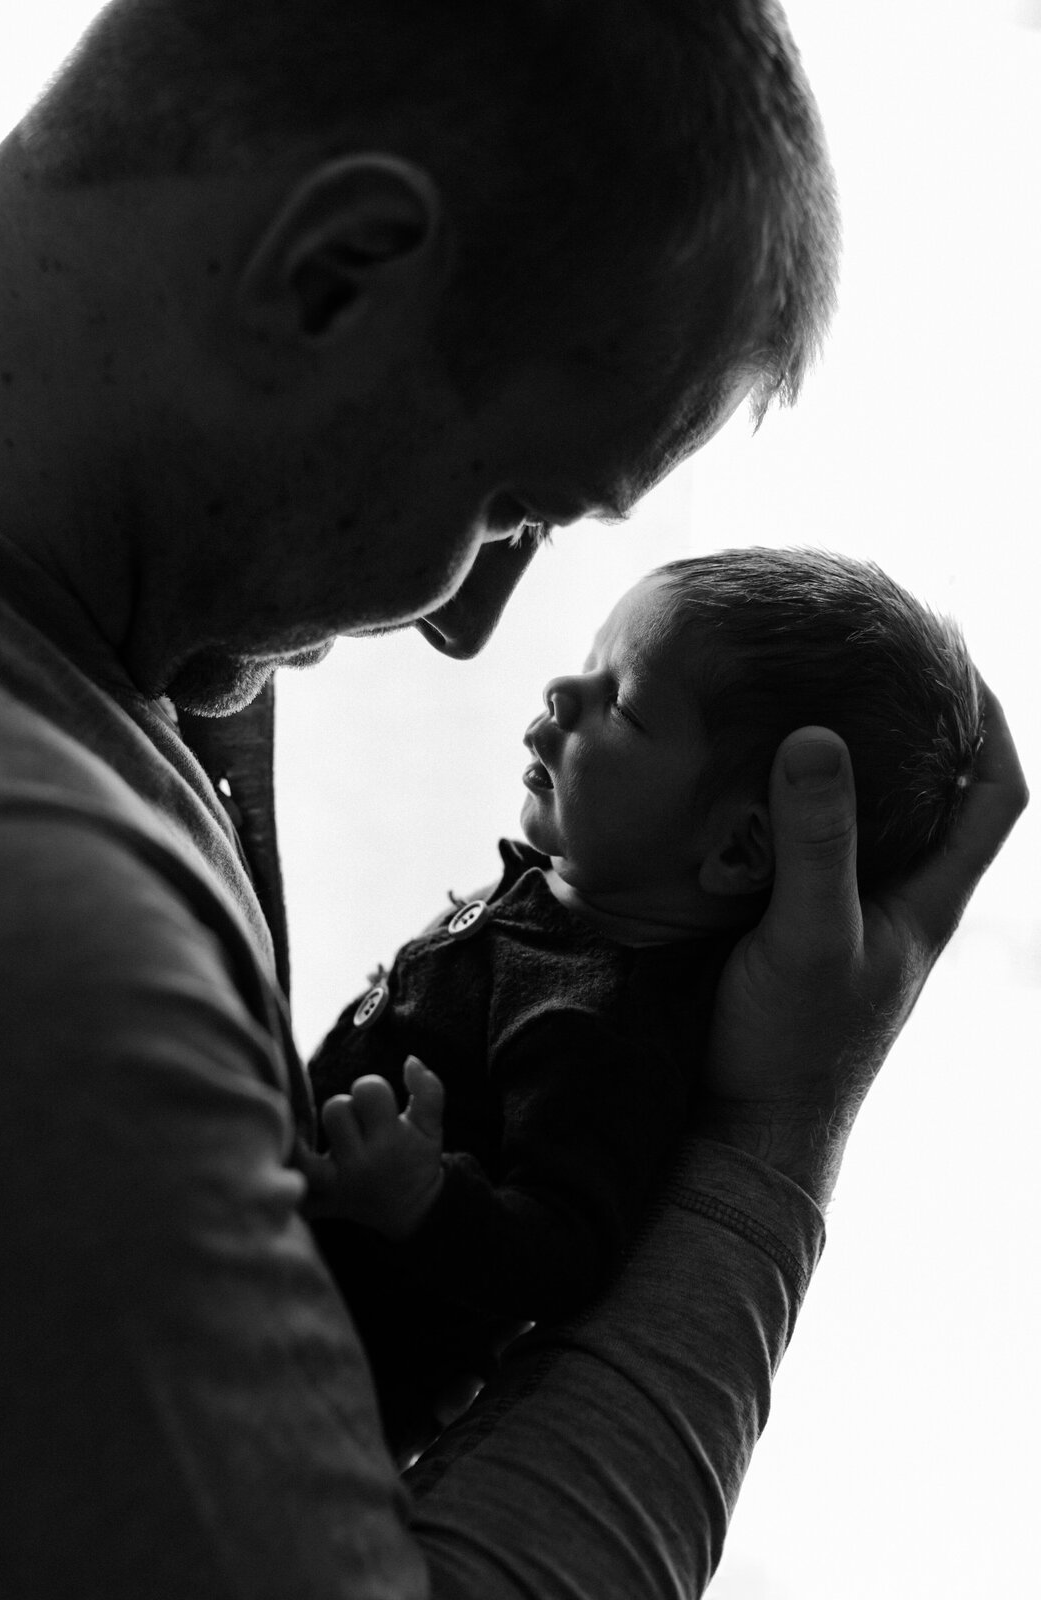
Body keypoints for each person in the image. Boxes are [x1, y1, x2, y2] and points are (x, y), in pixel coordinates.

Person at [0, 2, 1025, 1596]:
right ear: (336, 272)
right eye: (508, 504)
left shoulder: (69, 664)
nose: (464, 624)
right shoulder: (9, 917)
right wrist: (775, 1139)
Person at [303, 548, 984, 1462]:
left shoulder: (602, 1027)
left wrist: (423, 1198)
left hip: (318, 1391)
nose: (561, 692)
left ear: (740, 853)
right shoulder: (559, 906)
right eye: (590, 660)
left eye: (619, 701)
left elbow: (561, 1249)